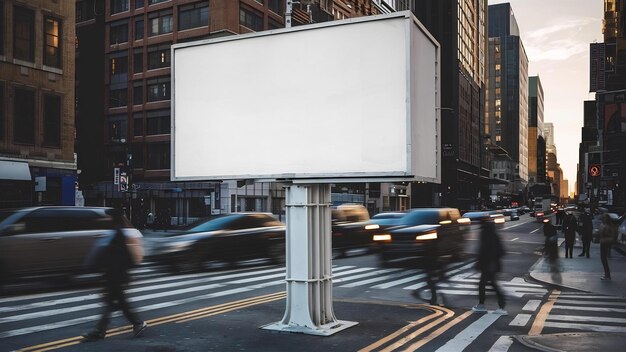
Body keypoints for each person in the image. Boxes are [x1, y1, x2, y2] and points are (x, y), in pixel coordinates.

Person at [82, 212, 147, 341]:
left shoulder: (117, 235)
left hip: (116, 275)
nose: (105, 219)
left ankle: (100, 331)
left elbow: (123, 258)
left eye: (108, 217)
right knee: (116, 303)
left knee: (113, 303)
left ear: (113, 219)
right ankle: (136, 323)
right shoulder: (113, 234)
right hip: (113, 275)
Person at [472, 216, 506, 315]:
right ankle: (499, 304)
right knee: (489, 284)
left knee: (486, 285)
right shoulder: (493, 233)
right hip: (491, 264)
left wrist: (480, 262)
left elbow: (484, 250)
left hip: (488, 264)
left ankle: (486, 305)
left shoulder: (486, 233)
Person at [599, 213, 617, 280]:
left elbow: (606, 234)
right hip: (606, 242)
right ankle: (607, 274)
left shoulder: (606, 226)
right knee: (604, 259)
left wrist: (604, 231)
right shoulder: (610, 225)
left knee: (603, 259)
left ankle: (607, 275)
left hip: (604, 242)